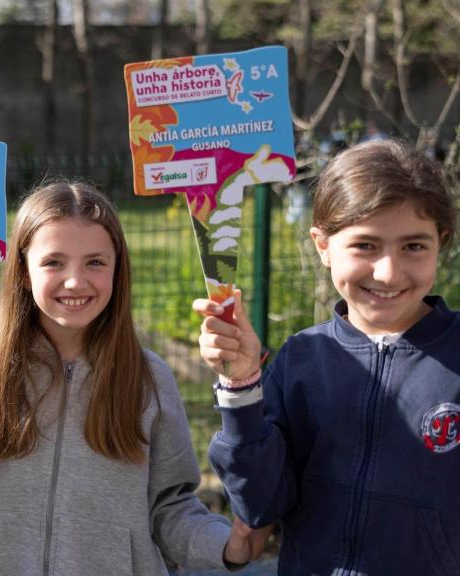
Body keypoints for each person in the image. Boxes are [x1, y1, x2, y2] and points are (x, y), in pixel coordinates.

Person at [0, 181, 269, 575]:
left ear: (117, 269)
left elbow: (170, 506)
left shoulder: (149, 379)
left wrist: (227, 545)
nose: (75, 281)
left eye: (95, 262)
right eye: (54, 262)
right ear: (22, 272)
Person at [195, 139, 459, 575]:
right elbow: (261, 504)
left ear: (441, 242)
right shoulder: (302, 359)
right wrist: (241, 385)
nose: (388, 272)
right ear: (322, 244)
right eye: (365, 246)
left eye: (413, 246)